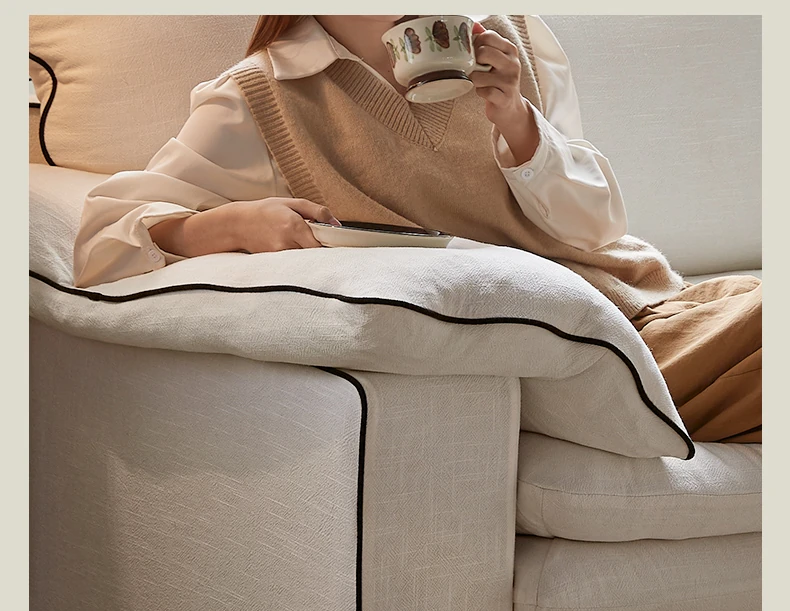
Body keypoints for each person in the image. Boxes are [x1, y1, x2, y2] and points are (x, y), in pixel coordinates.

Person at [73, 14, 761, 444]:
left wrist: (518, 120)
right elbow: (101, 242)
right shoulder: (261, 95)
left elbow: (599, 228)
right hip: (566, 357)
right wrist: (229, 225)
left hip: (651, 311)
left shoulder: (511, 38)